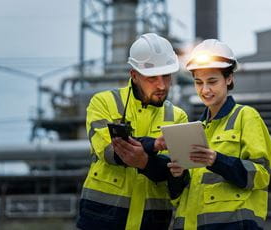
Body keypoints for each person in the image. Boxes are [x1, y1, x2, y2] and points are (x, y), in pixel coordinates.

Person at [76, 33, 188, 230]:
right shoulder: (103, 103)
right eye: (152, 78)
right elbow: (110, 151)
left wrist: (144, 162)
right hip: (102, 219)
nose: (161, 85)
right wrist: (153, 145)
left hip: (151, 222)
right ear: (134, 76)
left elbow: (178, 175)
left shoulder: (178, 117)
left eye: (166, 76)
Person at [167, 39, 271, 229]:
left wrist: (217, 161)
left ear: (229, 78)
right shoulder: (193, 130)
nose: (205, 90)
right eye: (198, 82)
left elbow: (261, 176)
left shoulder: (246, 117)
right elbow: (179, 196)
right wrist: (178, 175)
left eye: (212, 81)